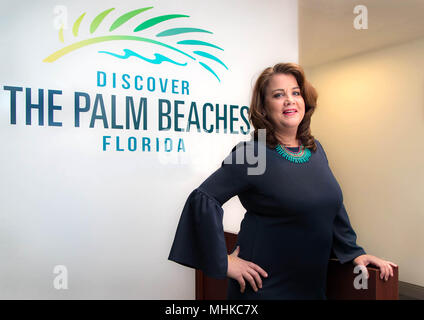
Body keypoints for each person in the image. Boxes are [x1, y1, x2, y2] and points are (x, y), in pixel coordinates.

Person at [168, 62, 397, 299]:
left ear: (304, 101)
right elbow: (204, 198)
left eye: (295, 93)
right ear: (264, 108)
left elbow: (331, 205)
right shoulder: (254, 154)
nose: (289, 100)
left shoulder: (316, 149)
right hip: (264, 289)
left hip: (311, 289)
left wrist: (353, 252)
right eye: (278, 95)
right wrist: (223, 261)